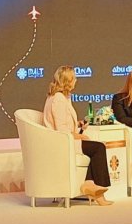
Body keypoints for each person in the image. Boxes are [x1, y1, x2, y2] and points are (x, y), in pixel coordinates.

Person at [42, 66, 113, 206]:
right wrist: (80, 137)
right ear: (67, 81)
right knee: (98, 147)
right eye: (74, 78)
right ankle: (98, 192)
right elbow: (62, 130)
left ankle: (89, 184)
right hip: (63, 143)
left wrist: (79, 125)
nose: (76, 80)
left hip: (67, 140)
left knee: (96, 147)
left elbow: (64, 123)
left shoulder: (62, 97)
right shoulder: (58, 99)